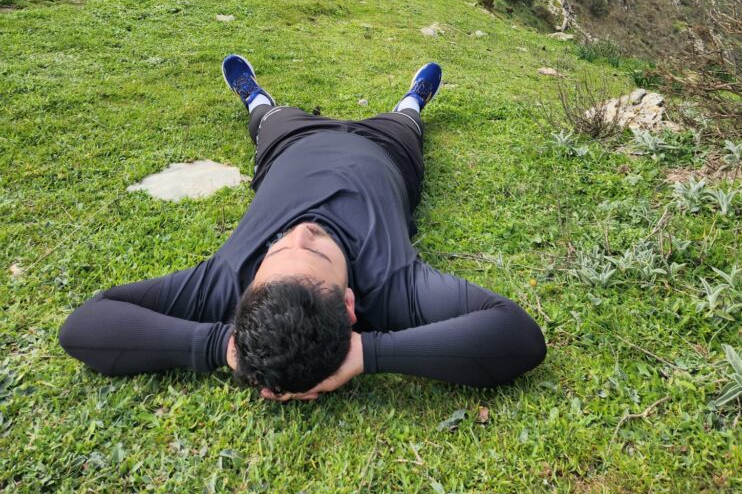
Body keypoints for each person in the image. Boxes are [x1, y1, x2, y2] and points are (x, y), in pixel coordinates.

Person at [59, 58, 546, 400]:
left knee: (268, 118)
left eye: (276, 249)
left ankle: (255, 97)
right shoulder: (396, 289)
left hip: (291, 142)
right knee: (406, 124)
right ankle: (412, 103)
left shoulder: (225, 281)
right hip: (386, 149)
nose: (300, 230)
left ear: (248, 291)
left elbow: (85, 324)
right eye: (315, 250)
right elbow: (516, 335)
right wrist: (367, 354)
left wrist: (223, 347)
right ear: (350, 305)